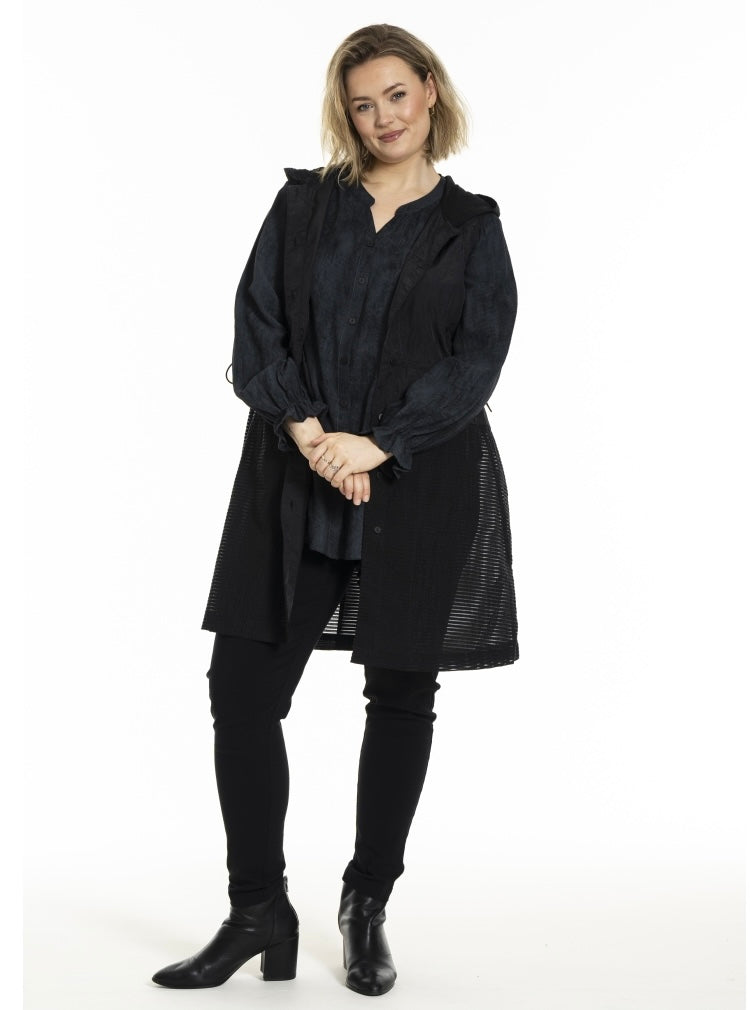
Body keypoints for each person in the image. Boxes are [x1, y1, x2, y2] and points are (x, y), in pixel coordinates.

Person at [151, 22, 519, 998]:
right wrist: (315, 434)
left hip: (416, 481)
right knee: (241, 689)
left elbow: (476, 360)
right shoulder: (303, 204)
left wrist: (379, 443)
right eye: (363, 104)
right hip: (294, 475)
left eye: (397, 94)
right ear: (345, 114)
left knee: (400, 696)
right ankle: (257, 908)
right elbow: (258, 323)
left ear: (430, 90)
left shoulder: (472, 226)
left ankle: (366, 904)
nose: (383, 117)